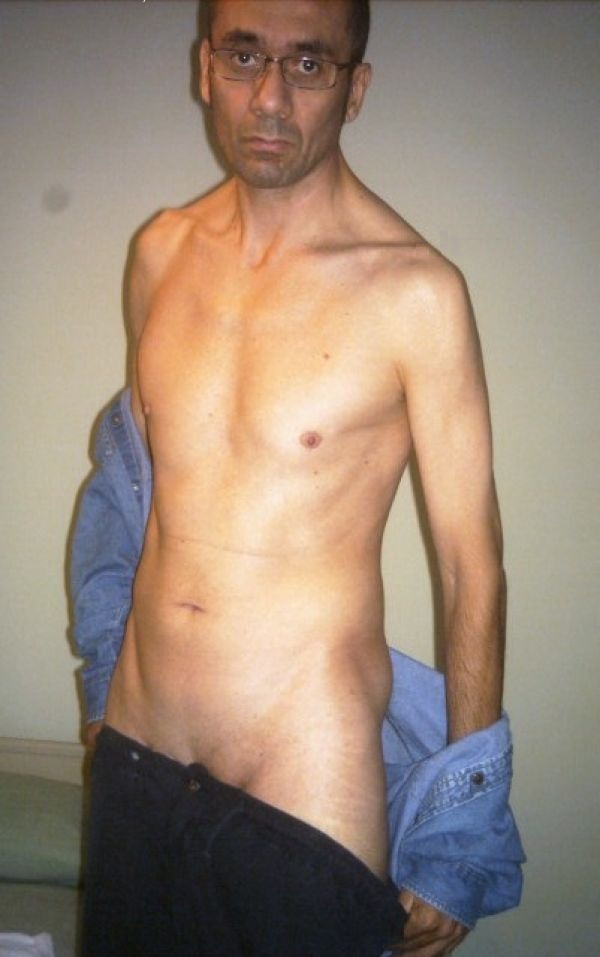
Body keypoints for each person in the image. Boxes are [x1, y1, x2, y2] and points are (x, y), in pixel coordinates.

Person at [73, 1, 524, 954]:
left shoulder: (418, 294)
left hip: (303, 776)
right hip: (138, 745)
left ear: (355, 89)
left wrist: (458, 833)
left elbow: (470, 570)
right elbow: (131, 489)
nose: (270, 97)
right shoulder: (159, 253)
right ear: (206, 67)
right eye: (246, 57)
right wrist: (103, 686)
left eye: (309, 66)